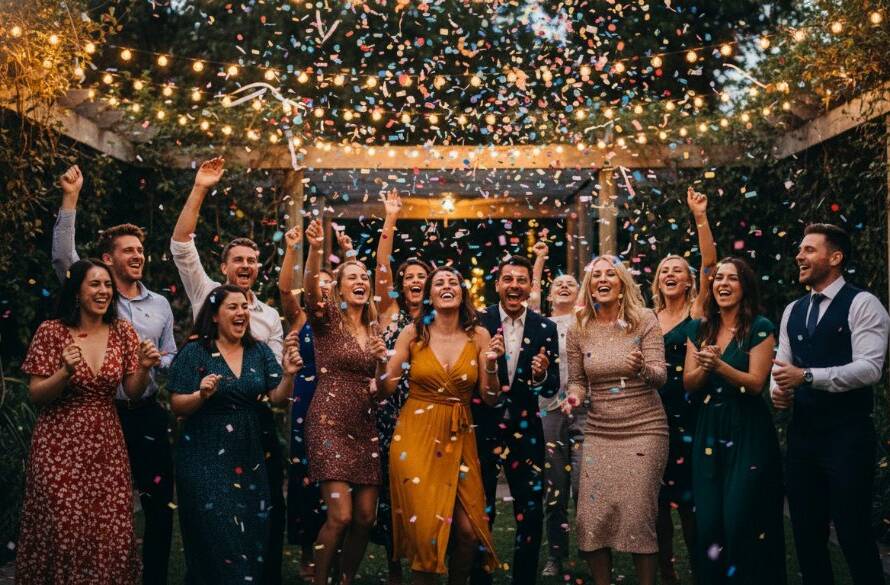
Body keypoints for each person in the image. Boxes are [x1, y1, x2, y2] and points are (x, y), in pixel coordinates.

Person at [52, 164, 177, 585]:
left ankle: (154, 579)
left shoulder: (160, 304)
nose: (138, 256)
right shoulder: (95, 293)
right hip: (104, 415)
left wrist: (159, 361)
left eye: (140, 250)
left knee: (159, 506)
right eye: (128, 251)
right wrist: (71, 198)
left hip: (147, 413)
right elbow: (63, 258)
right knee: (104, 506)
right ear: (108, 259)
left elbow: (172, 353)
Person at [170, 156, 287, 585]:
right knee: (214, 521)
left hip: (256, 424)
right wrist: (201, 186)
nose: (245, 266)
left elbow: (276, 377)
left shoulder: (269, 316)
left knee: (262, 513)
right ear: (224, 267)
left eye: (252, 260)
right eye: (238, 259)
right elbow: (181, 245)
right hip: (209, 427)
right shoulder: (208, 293)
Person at [17, 259, 161, 585]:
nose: (103, 291)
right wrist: (64, 372)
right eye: (95, 284)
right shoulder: (51, 332)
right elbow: (36, 394)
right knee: (64, 527)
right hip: (58, 444)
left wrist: (143, 367)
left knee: (108, 529)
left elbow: (132, 391)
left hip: (105, 443)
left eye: (107, 285)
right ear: (77, 292)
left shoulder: (122, 331)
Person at [771, 224, 889, 585]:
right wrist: (779, 391)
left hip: (848, 437)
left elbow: (869, 369)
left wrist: (807, 377)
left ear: (835, 257)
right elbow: (782, 366)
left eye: (809, 250)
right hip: (803, 438)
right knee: (807, 535)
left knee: (854, 534)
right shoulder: (793, 310)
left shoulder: (863, 304)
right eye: (799, 249)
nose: (799, 256)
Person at [168, 284, 303, 584]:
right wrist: (201, 395)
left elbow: (277, 398)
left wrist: (289, 375)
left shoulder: (258, 351)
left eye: (244, 307)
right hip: (205, 455)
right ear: (215, 315)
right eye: (233, 307)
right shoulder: (195, 352)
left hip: (249, 454)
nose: (241, 312)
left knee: (251, 530)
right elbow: (176, 403)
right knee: (219, 529)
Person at [378, 266, 501, 584]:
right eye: (439, 283)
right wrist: (380, 364)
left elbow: (490, 397)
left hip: (459, 435)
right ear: (429, 295)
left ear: (462, 292)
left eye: (453, 282)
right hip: (416, 435)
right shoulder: (413, 333)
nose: (447, 286)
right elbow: (386, 388)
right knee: (426, 533)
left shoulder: (480, 335)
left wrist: (491, 366)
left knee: (468, 532)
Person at [562, 255, 667, 585]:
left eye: (610, 274)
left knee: (637, 517)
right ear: (589, 286)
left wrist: (641, 368)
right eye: (596, 276)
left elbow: (660, 375)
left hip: (644, 428)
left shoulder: (645, 319)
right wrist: (574, 397)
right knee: (590, 519)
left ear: (622, 284)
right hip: (600, 431)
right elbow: (577, 380)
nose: (603, 280)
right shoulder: (579, 327)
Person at [683, 257, 785, 585]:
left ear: (745, 287)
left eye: (732, 279)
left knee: (740, 518)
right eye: (718, 278)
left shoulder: (760, 327)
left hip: (747, 428)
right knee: (709, 522)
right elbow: (689, 383)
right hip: (709, 429)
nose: (723, 284)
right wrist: (705, 367)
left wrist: (720, 366)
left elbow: (755, 384)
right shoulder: (699, 328)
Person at [303, 218, 388, 585]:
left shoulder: (374, 327)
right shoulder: (327, 320)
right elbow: (310, 291)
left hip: (364, 425)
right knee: (341, 516)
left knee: (366, 517)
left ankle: (346, 579)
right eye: (351, 277)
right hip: (329, 421)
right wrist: (314, 250)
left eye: (364, 277)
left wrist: (381, 363)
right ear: (337, 288)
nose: (360, 281)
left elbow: (381, 388)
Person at [471, 254, 560, 585]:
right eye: (508, 279)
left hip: (526, 430)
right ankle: (480, 578)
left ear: (530, 286)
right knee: (482, 508)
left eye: (521, 280)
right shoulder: (478, 322)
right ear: (497, 285)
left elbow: (551, 386)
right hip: (484, 426)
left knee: (530, 510)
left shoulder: (545, 327)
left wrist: (541, 374)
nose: (514, 285)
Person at [278, 225, 353, 580]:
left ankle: (334, 547)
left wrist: (349, 254)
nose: (322, 287)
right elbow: (284, 290)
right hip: (308, 397)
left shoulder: (343, 319)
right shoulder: (303, 316)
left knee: (339, 476)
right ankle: (308, 549)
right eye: (317, 283)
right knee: (306, 474)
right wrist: (295, 248)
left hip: (341, 398)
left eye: (328, 283)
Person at [650, 186, 716, 584]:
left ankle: (699, 570)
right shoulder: (647, 318)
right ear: (657, 282)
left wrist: (700, 217)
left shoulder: (697, 310)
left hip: (691, 416)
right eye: (664, 271)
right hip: (651, 418)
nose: (670, 274)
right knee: (657, 503)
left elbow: (710, 263)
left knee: (690, 504)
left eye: (677, 270)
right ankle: (666, 572)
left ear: (690, 281)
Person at [372, 189, 432, 584]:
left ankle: (424, 559)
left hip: (426, 413)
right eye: (408, 276)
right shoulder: (390, 311)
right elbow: (381, 266)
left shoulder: (439, 319)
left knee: (423, 490)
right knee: (391, 491)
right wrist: (391, 218)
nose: (413, 280)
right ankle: (394, 566)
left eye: (420, 276)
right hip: (390, 413)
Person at [528, 241, 585, 577]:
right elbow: (532, 294)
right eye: (558, 284)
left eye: (571, 284)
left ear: (579, 295)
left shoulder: (586, 322)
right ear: (550, 295)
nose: (564, 286)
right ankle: (555, 555)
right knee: (555, 488)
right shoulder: (541, 323)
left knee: (584, 485)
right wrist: (539, 260)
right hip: (549, 410)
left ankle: (592, 549)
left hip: (586, 410)